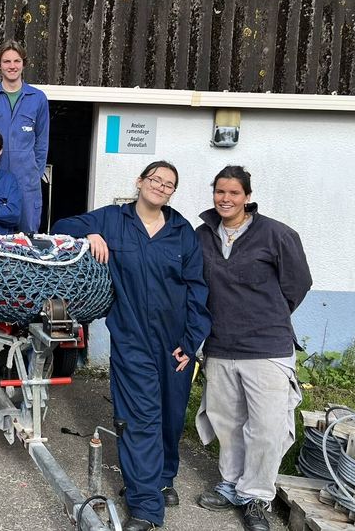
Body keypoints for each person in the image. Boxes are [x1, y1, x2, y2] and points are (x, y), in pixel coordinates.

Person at [52, 161, 211, 531]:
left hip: (176, 344)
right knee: (139, 420)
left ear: (173, 192)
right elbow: (63, 226)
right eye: (155, 179)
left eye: (169, 184)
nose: (161, 187)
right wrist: (90, 235)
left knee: (170, 418)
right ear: (140, 182)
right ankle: (145, 506)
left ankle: (163, 479)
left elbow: (197, 289)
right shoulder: (113, 219)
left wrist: (190, 343)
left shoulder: (181, 231)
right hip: (133, 338)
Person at [194, 166, 311, 531]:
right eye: (219, 192)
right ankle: (231, 485)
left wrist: (265, 315)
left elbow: (298, 284)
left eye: (233, 193)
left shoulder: (276, 234)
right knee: (227, 421)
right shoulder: (202, 236)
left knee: (266, 426)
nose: (225, 199)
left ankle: (257, 495)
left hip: (267, 346)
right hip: (221, 344)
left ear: (247, 196)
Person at [0, 40, 49, 234]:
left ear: (23, 63)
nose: (12, 66)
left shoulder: (38, 99)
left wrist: (34, 174)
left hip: (26, 184)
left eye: (16, 61)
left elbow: (42, 143)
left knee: (26, 240)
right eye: (6, 61)